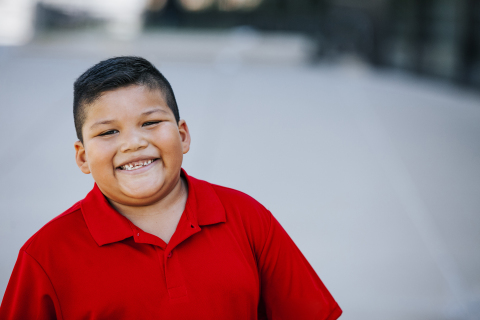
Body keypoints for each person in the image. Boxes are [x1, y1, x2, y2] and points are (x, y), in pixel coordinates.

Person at [0, 56, 342, 319]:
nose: (133, 143)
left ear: (182, 135)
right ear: (83, 157)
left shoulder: (246, 217)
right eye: (108, 132)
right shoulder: (46, 254)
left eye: (150, 123)